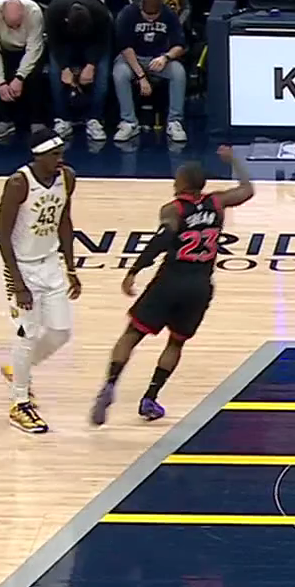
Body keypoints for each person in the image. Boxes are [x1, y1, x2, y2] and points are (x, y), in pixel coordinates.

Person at [91, 152, 253, 425]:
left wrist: (134, 270)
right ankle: (150, 398)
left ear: (183, 183)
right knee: (176, 342)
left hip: (170, 281)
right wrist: (236, 160)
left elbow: (162, 239)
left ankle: (110, 383)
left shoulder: (173, 209)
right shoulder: (218, 202)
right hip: (199, 286)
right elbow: (247, 190)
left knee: (132, 334)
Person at [0, 127, 81, 434]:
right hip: (21, 266)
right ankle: (19, 403)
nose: (60, 159)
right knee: (26, 334)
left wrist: (71, 268)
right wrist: (18, 283)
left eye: (61, 153)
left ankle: (19, 368)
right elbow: (2, 236)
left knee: (60, 332)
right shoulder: (18, 183)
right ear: (39, 156)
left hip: (50, 263)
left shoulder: (67, 177)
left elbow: (64, 221)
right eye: (54, 154)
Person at [112, 0, 190, 142]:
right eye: (147, 17)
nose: (150, 21)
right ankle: (129, 122)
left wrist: (166, 57)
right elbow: (125, 48)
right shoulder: (127, 14)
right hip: (133, 58)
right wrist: (141, 76)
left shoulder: (169, 15)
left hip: (158, 58)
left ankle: (175, 122)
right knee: (120, 73)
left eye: (154, 17)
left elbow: (179, 45)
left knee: (178, 72)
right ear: (141, 8)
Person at [43, 0, 112, 140]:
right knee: (55, 73)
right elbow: (54, 43)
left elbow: (103, 41)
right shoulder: (53, 12)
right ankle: (62, 119)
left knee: (102, 74)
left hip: (93, 42)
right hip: (64, 42)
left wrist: (91, 65)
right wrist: (64, 68)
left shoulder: (101, 13)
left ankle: (95, 118)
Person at [0, 0, 43, 137]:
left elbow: (34, 48)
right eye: (11, 25)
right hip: (3, 48)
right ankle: (4, 120)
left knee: (34, 75)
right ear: (2, 15)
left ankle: (37, 121)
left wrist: (20, 77)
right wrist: (1, 82)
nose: (15, 28)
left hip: (26, 48)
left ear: (23, 14)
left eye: (18, 24)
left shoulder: (34, 12)